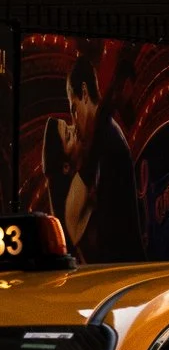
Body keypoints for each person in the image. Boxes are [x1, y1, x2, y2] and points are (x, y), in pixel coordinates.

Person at [42, 45, 145, 265]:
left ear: (85, 94)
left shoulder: (107, 140)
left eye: (73, 108)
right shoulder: (104, 140)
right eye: (71, 111)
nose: (74, 122)